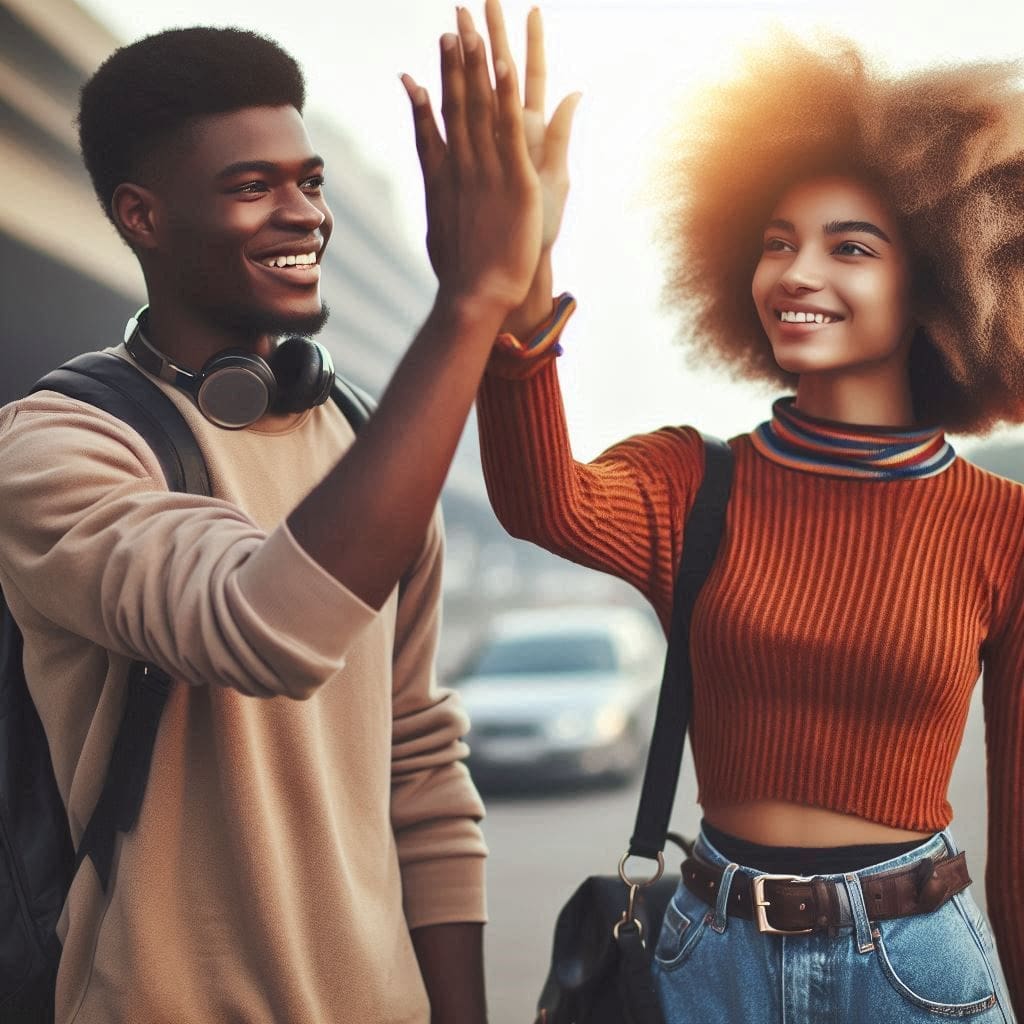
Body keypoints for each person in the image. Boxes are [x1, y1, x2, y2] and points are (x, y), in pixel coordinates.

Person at [0, 6, 578, 1021]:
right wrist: (472, 299)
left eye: (308, 181)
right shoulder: (54, 448)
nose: (303, 212)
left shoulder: (361, 444)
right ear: (141, 217)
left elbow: (421, 767)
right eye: (251, 186)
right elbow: (266, 627)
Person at [452, 8, 1024, 1023]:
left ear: (940, 279)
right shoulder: (690, 478)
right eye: (774, 244)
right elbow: (540, 501)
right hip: (705, 955)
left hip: (915, 969)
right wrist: (520, 279)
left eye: (849, 248)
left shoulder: (1001, 525)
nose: (796, 274)